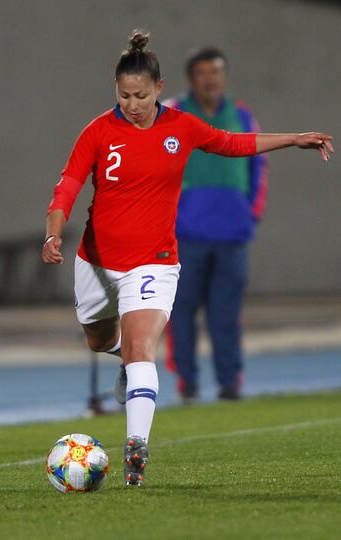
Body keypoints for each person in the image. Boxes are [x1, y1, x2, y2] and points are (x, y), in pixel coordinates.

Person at [42, 29, 333, 487]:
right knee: (100, 341)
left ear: (158, 89)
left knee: (143, 346)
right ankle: (125, 364)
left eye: (140, 95)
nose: (132, 104)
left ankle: (135, 449)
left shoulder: (181, 127)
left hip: (155, 261)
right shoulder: (98, 131)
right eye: (124, 96)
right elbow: (68, 186)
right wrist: (53, 235)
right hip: (97, 261)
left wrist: (293, 138)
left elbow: (232, 143)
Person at [164, 48, 268, 402]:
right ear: (191, 78)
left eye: (216, 71)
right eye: (202, 72)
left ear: (224, 76)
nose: (209, 78)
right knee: (181, 311)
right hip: (184, 234)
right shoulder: (172, 113)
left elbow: (259, 165)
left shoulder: (241, 114)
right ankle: (188, 382)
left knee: (226, 315)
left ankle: (229, 382)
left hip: (232, 232)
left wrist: (250, 211)